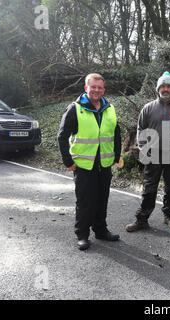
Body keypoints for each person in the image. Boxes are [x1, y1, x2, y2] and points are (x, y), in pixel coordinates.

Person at [58, 73, 121, 251]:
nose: (96, 90)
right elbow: (62, 136)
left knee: (102, 199)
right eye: (93, 87)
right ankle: (82, 235)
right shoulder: (75, 109)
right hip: (84, 165)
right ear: (86, 88)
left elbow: (116, 133)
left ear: (104, 89)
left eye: (100, 87)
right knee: (85, 201)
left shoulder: (110, 108)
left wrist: (116, 156)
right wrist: (68, 161)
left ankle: (101, 231)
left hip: (105, 163)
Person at [125, 72, 170, 232]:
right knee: (149, 188)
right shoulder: (148, 108)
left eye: (169, 86)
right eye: (163, 86)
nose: (165, 89)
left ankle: (169, 216)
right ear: (158, 88)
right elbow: (141, 129)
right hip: (152, 155)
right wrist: (142, 147)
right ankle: (142, 219)